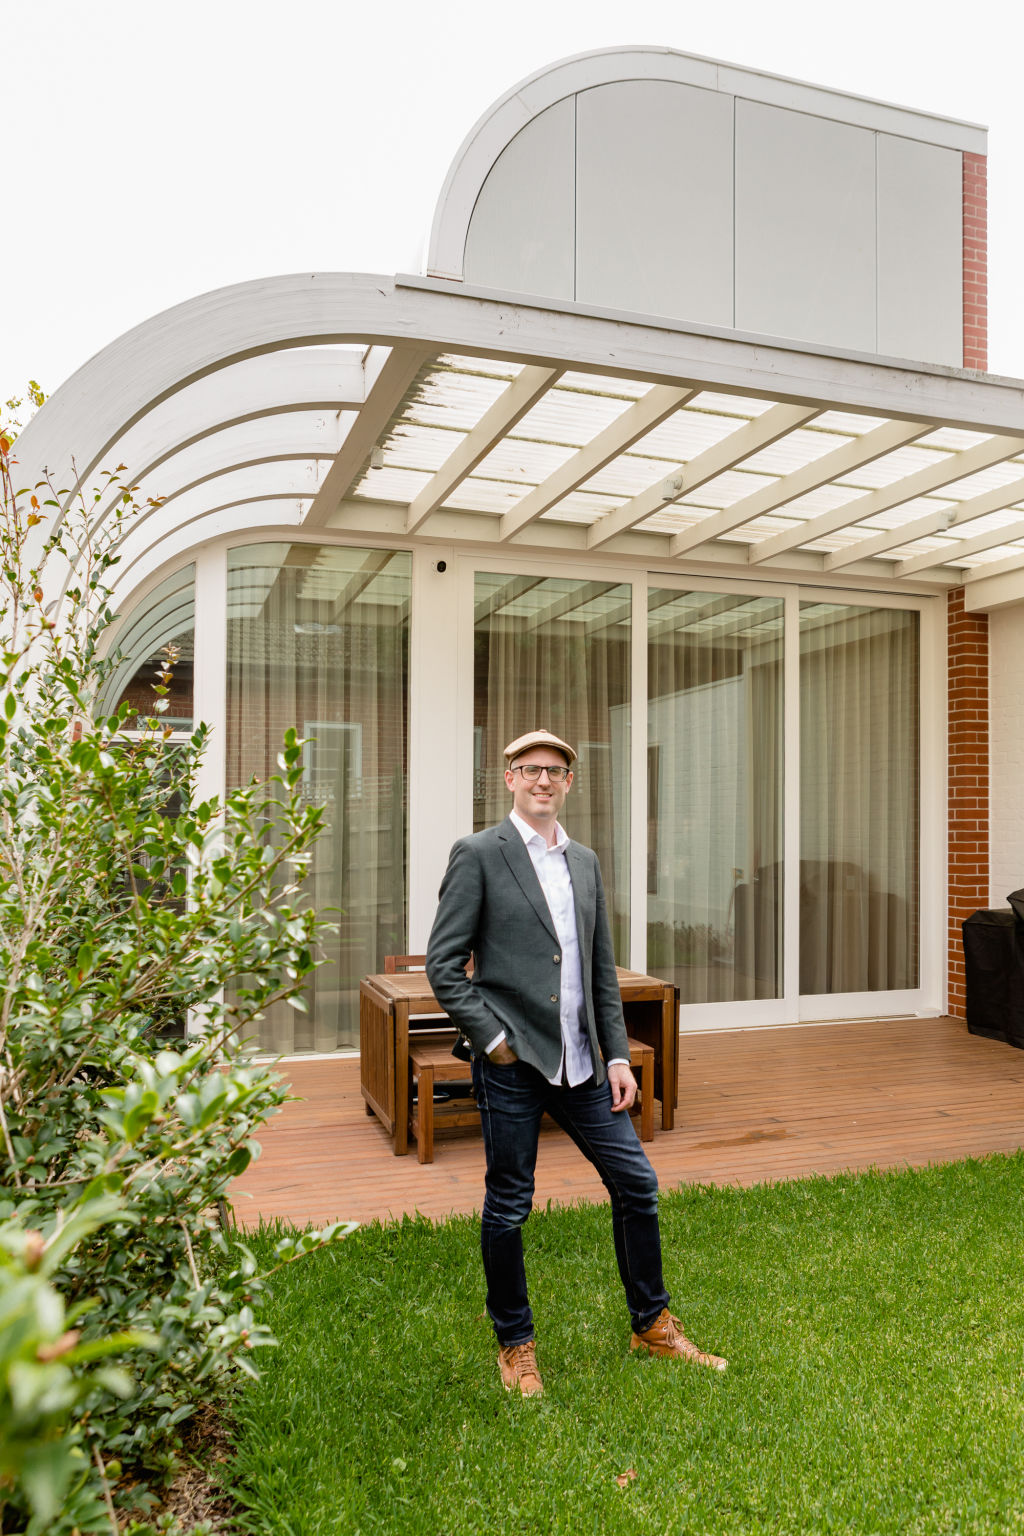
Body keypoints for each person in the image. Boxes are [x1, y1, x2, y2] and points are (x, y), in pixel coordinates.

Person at [425, 728, 727, 1398]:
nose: (543, 780)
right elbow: (444, 968)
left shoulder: (584, 862)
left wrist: (618, 1055)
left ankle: (651, 1326)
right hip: (512, 1063)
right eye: (530, 769)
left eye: (556, 772)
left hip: (585, 1064)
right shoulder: (478, 855)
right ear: (508, 777)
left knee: (636, 1183)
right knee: (509, 1205)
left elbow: (597, 969)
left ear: (570, 784)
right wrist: (495, 1041)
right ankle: (516, 1345)